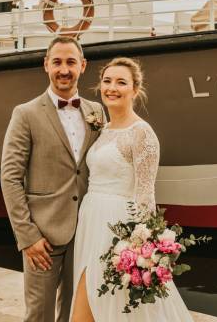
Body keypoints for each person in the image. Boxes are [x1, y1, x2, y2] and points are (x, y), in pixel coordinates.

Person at [70, 57, 193, 321]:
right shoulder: (102, 129)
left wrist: (143, 249)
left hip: (118, 227)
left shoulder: (141, 133)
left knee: (114, 306)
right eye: (107, 81)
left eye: (121, 82)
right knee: (90, 302)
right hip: (91, 220)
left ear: (135, 90)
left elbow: (146, 194)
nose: (112, 88)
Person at [0, 36, 105, 322]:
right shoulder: (25, 114)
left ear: (83, 66)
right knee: (39, 314)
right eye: (57, 62)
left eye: (71, 62)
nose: (64, 69)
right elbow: (10, 178)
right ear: (46, 65)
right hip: (42, 235)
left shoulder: (97, 112)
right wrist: (28, 236)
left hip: (86, 231)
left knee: (78, 313)